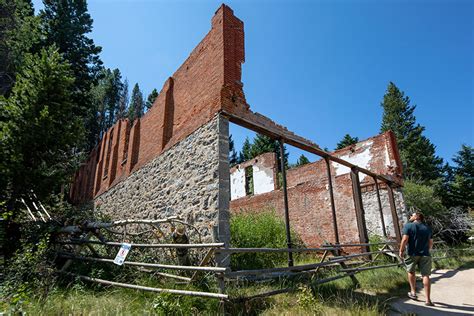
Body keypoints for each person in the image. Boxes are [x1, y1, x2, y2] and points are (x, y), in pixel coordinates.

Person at [399, 211, 434, 306]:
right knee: (426, 275)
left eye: (412, 215)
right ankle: (428, 300)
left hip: (412, 253)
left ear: (417, 217)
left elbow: (405, 239)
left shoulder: (408, 226)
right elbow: (430, 242)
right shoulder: (427, 228)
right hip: (425, 254)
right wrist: (427, 250)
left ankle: (413, 292)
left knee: (411, 271)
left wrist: (401, 251)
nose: (410, 216)